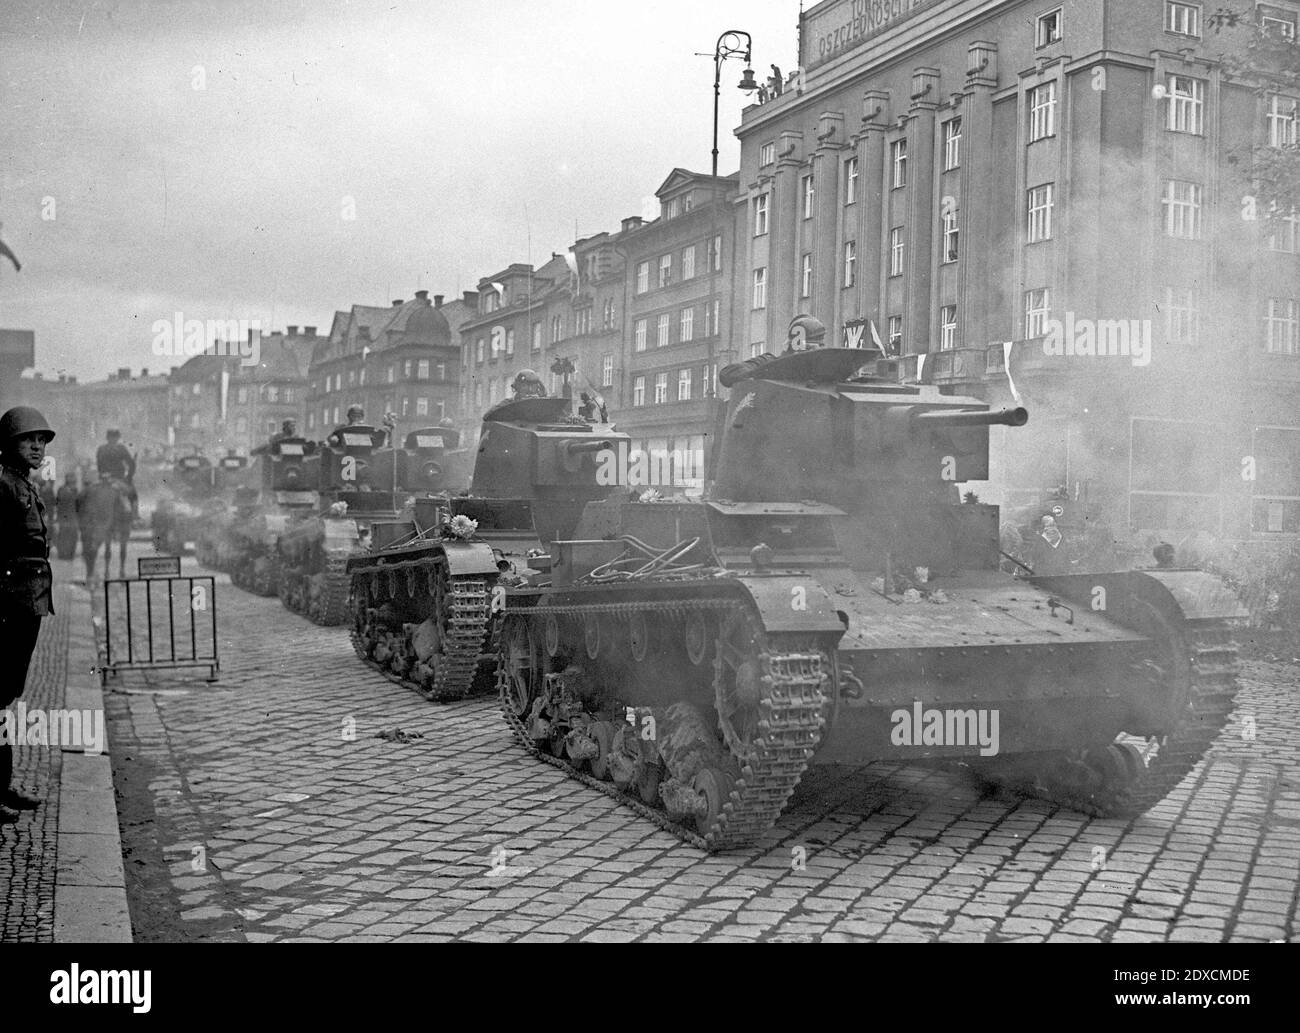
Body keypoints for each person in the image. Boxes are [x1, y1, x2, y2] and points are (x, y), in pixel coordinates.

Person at [0, 406, 56, 824]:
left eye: (40, 440)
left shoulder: (22, 483)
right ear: (10, 444)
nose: (37, 446)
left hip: (27, 601)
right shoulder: (2, 485)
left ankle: (1, 785)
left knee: (4, 697)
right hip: (7, 602)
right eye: (27, 439)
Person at [96, 428, 138, 520]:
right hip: (118, 479)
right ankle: (134, 516)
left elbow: (99, 466)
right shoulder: (121, 448)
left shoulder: (101, 449)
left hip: (103, 480)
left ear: (107, 438)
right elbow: (131, 464)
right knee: (132, 494)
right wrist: (129, 477)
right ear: (118, 438)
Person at [54, 472, 80, 559]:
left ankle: (70, 554)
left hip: (72, 516)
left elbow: (77, 504)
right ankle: (62, 554)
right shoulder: (61, 489)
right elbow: (57, 503)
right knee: (63, 536)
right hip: (64, 516)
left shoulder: (74, 490)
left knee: (72, 536)